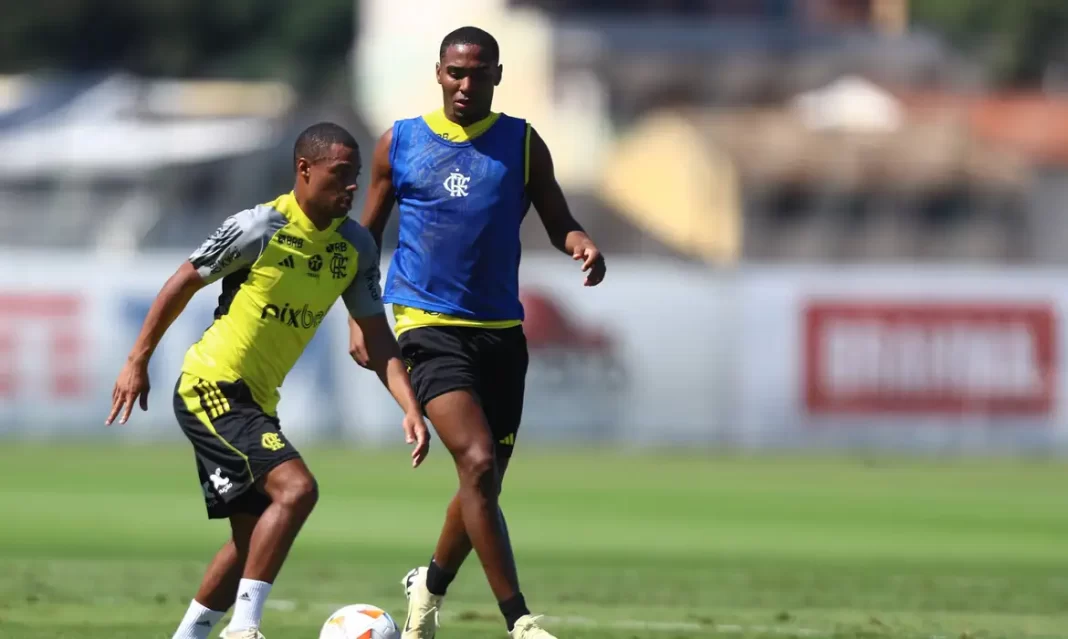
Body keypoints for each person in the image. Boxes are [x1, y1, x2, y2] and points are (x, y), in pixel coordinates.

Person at [106, 122, 431, 639]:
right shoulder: (259, 226)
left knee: (251, 541)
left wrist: (410, 407)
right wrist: (136, 359)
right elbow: (183, 280)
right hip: (212, 385)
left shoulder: (355, 248)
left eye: (356, 175)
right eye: (340, 174)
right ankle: (244, 628)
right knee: (298, 489)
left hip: (256, 401)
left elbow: (378, 337)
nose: (352, 186)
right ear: (304, 170)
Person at [349, 26, 606, 639]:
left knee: (481, 482)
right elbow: (363, 240)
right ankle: (520, 621)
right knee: (478, 460)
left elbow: (559, 220)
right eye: (455, 72)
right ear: (439, 74)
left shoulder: (522, 143)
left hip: (500, 333)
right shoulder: (399, 143)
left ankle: (428, 587)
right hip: (425, 325)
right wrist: (361, 319)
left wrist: (582, 243)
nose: (465, 84)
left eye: (477, 73)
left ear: (497, 75)